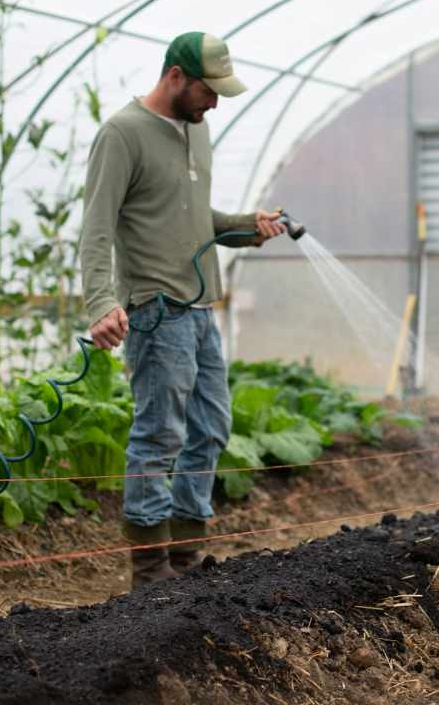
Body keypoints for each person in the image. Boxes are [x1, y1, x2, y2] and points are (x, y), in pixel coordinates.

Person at [79, 31, 286, 589]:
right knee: (159, 434)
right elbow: (96, 228)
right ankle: (150, 571)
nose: (215, 102)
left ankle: (187, 560)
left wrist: (248, 227)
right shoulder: (122, 135)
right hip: (156, 310)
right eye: (208, 90)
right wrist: (101, 302)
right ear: (175, 76)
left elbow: (194, 219)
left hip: (200, 311)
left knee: (211, 426)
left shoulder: (198, 130)